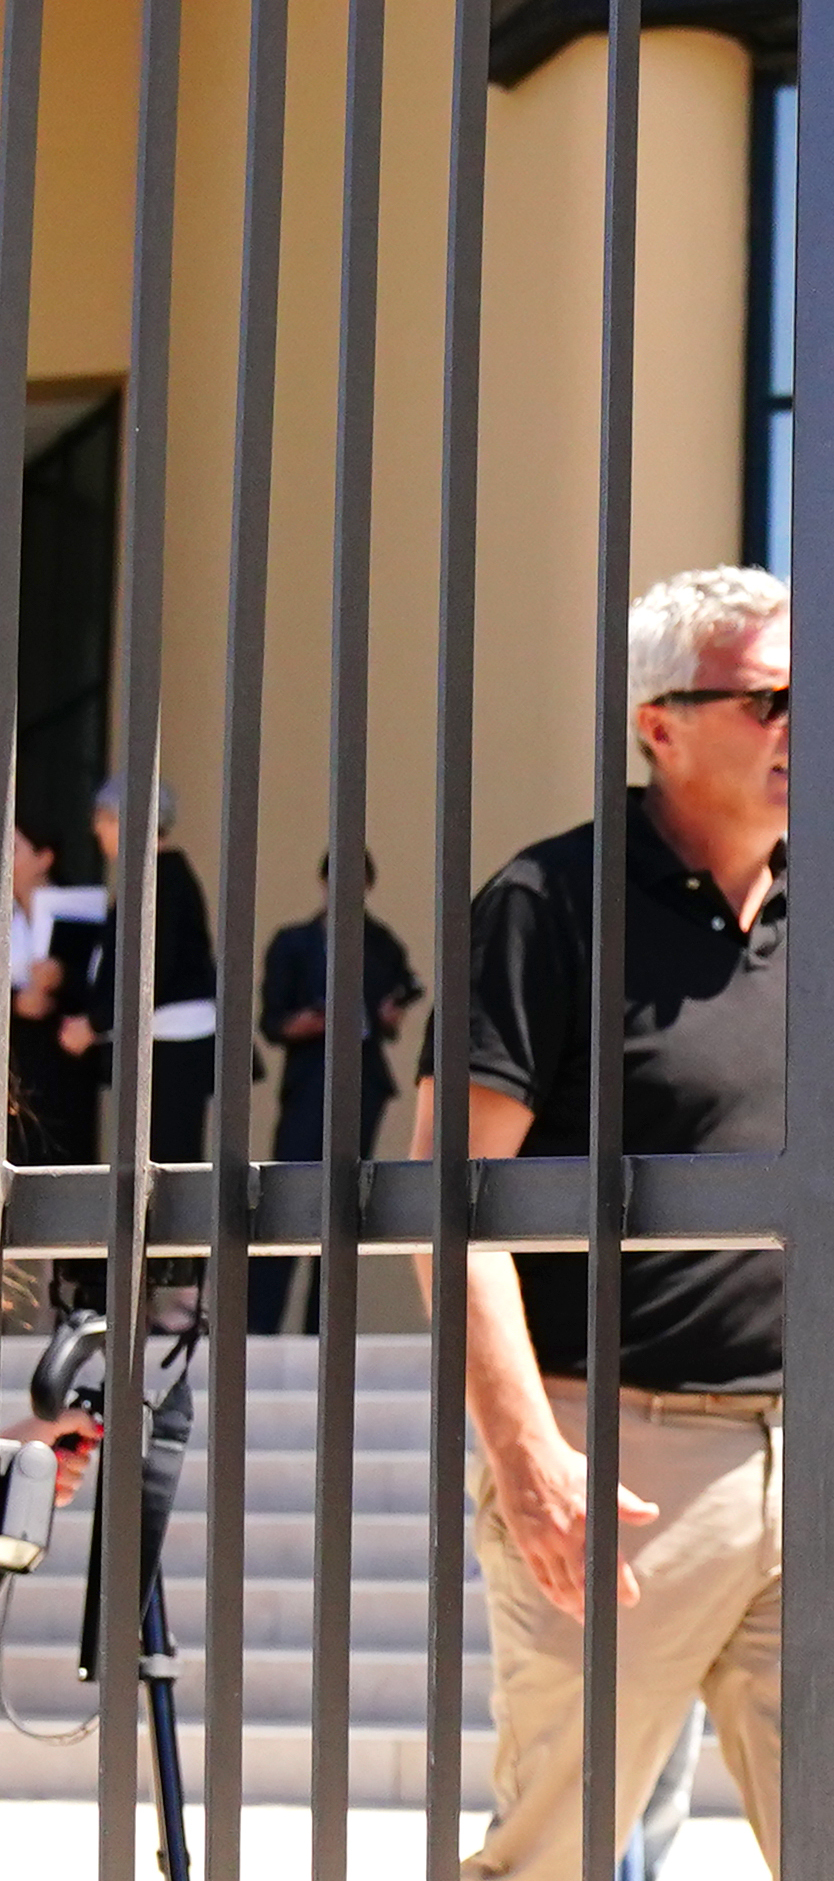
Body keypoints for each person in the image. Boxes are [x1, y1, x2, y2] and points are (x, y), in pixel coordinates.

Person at [411, 566, 794, 1881]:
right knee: (557, 1857)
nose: (808, 726)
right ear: (661, 722)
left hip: (820, 1456)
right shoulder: (547, 904)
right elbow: (447, 1207)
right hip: (622, 1465)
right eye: (771, 699)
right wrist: (528, 1460)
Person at [251, 852, 422, 1336]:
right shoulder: (295, 941)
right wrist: (308, 1023)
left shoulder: (381, 942)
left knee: (344, 1206)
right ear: (324, 883)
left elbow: (397, 999)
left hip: (362, 1078)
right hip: (310, 1077)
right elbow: (273, 1020)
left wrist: (389, 1013)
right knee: (290, 1199)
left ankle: (321, 1330)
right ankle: (260, 1327)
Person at [72, 776, 218, 1162]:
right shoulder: (155, 877)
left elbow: (152, 966)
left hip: (173, 1045)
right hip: (159, 1042)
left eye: (104, 818)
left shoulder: (162, 880)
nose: (96, 828)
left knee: (167, 1162)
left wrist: (96, 1021)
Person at [9, 820, 102, 1165]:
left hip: (66, 1061)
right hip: (16, 1056)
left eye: (15, 848)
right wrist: (17, 1003)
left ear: (44, 857)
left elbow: (102, 984)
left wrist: (62, 978)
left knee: (65, 1156)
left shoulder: (81, 914)